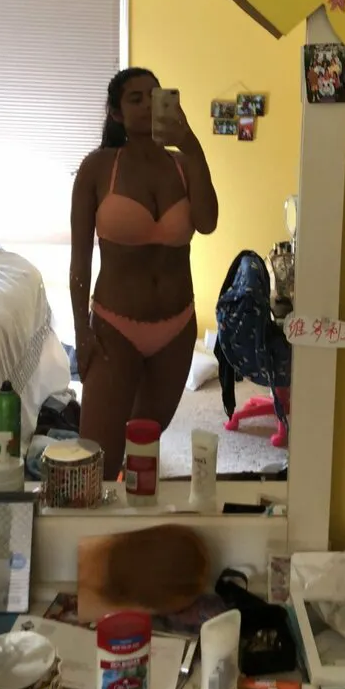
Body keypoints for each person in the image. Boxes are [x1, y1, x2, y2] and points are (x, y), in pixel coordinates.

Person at [70, 67, 219, 479]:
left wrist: (193, 146)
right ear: (116, 112)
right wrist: (81, 330)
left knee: (144, 444)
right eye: (134, 98)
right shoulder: (97, 168)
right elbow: (80, 259)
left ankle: (132, 512)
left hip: (177, 325)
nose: (146, 105)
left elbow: (207, 223)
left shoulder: (183, 165)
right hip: (114, 325)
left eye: (153, 96)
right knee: (97, 458)